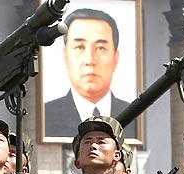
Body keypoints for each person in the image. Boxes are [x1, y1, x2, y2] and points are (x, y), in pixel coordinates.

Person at [44, 8, 135, 138]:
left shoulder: (133, 115)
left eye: (100, 48)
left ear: (115, 58)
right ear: (65, 56)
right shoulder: (47, 114)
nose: (89, 60)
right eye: (79, 47)